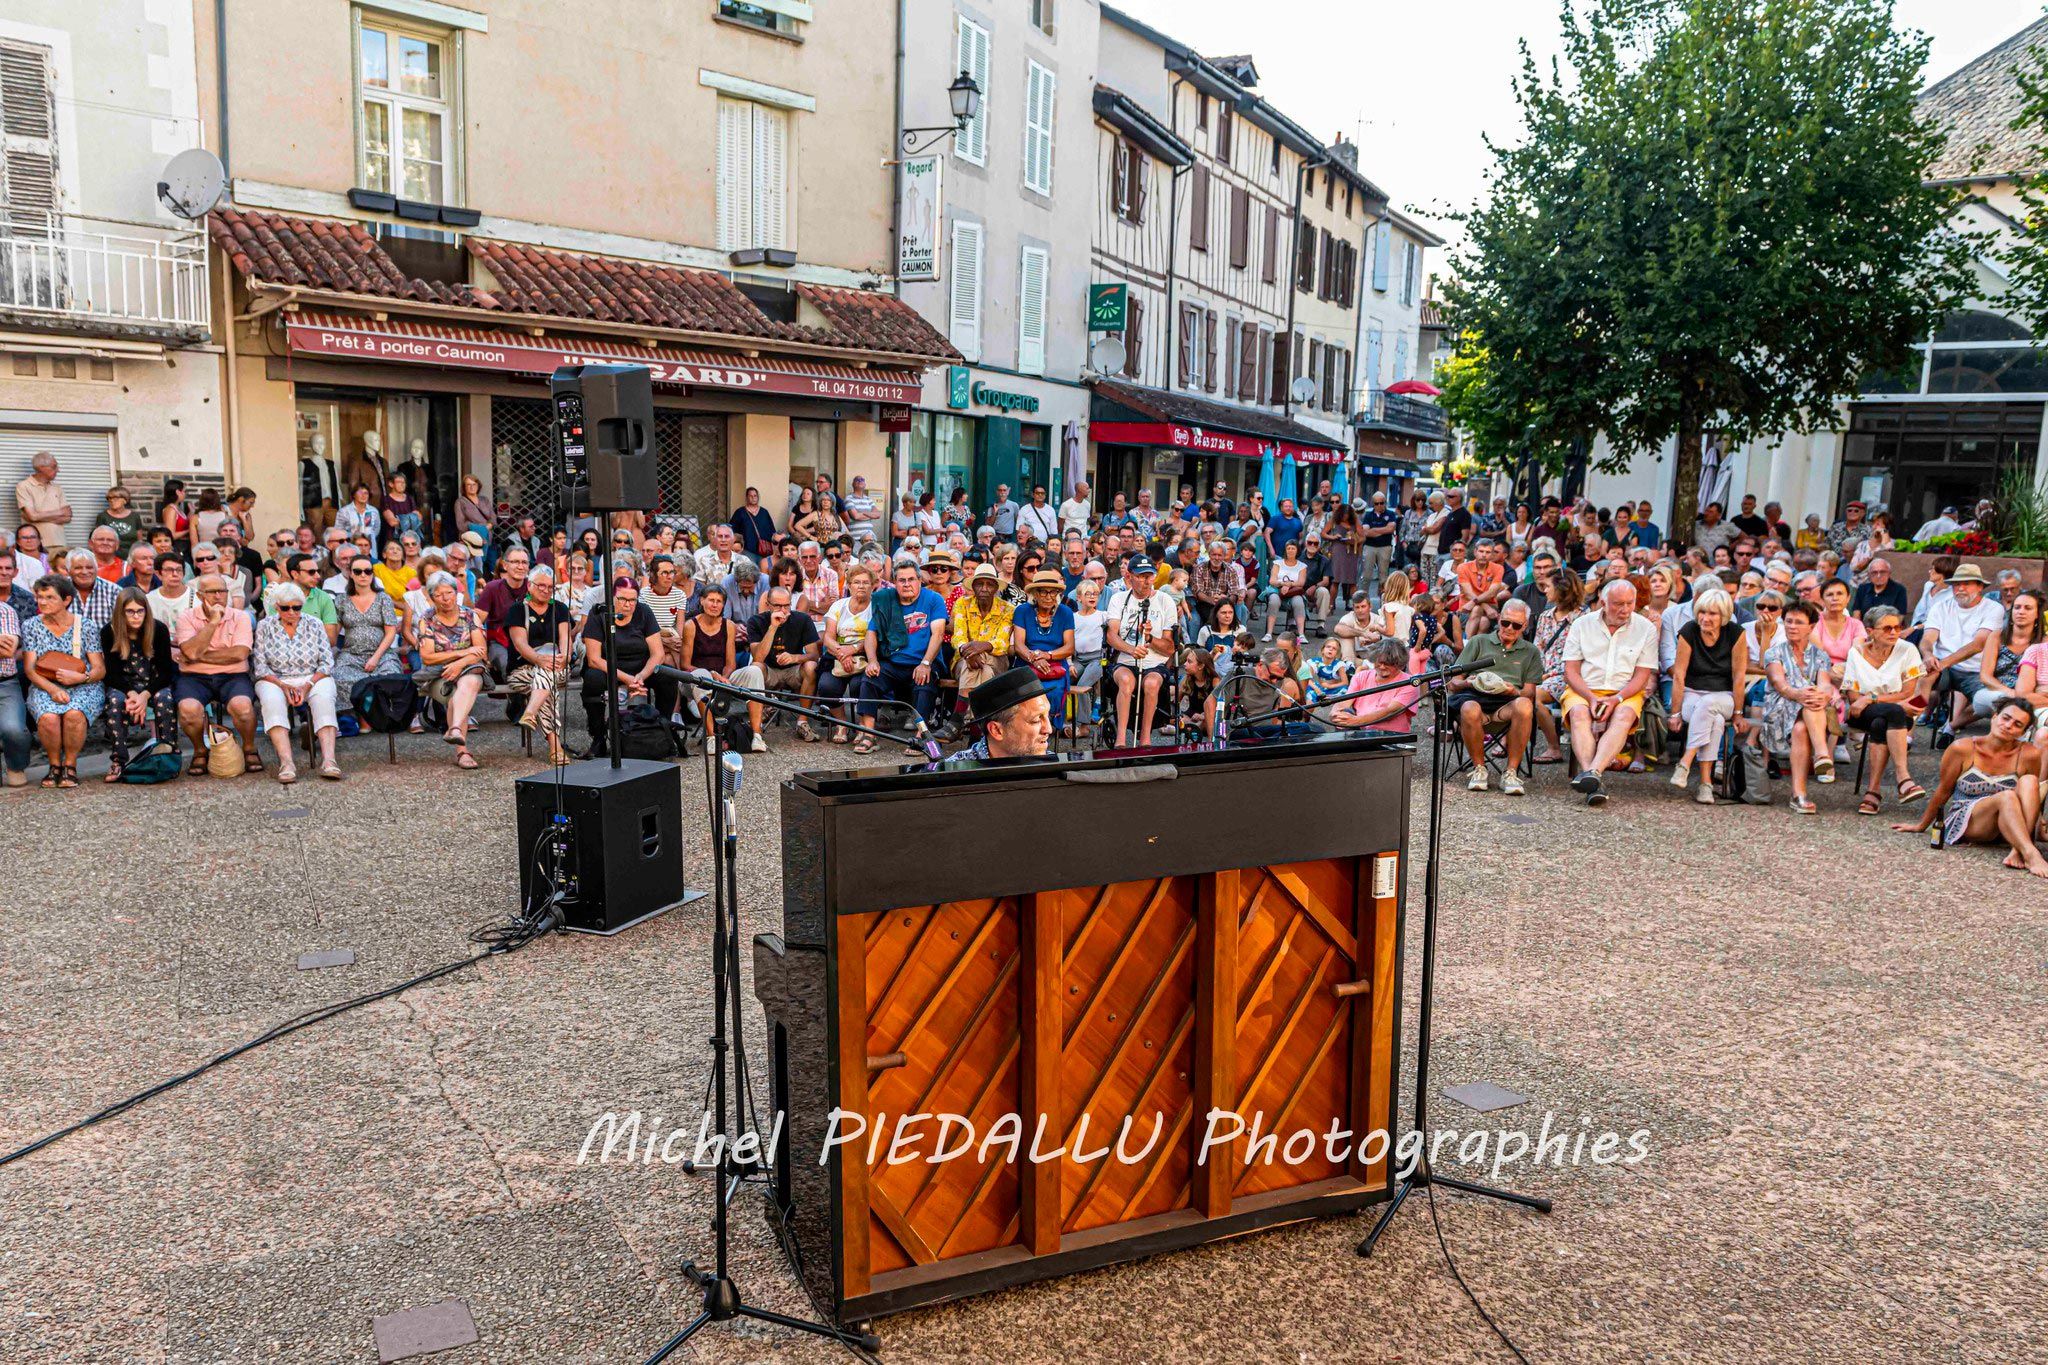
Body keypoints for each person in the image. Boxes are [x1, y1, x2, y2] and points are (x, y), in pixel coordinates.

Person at [1893, 699, 2046, 876]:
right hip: (1969, 821)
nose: (2008, 725)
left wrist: (2038, 823)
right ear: (1994, 717)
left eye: (2017, 724)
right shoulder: (1962, 748)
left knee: (2029, 781)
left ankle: (2018, 850)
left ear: (2023, 732)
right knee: (2007, 796)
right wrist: (1922, 825)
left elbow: (2030, 794)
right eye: (2006, 718)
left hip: (2008, 826)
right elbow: (1944, 790)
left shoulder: (2029, 753)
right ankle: (2031, 854)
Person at [1561, 578, 1660, 806]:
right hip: (1585, 687)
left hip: (1625, 690)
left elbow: (1642, 676)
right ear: (1603, 602)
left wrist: (1617, 698)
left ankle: (1592, 774)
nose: (1625, 610)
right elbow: (1571, 671)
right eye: (1618, 604)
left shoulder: (1645, 628)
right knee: (1579, 714)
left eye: (1629, 603)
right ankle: (1594, 779)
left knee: (1624, 716)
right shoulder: (1582, 624)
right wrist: (1591, 697)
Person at [1448, 599, 1543, 795]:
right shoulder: (1478, 642)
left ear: (1524, 626)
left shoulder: (1531, 651)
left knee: (1525, 704)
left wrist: (1513, 691)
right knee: (1468, 707)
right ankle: (1479, 769)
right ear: (1498, 619)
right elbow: (1453, 683)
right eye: (1505, 622)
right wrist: (1470, 682)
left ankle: (1510, 772)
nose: (1509, 628)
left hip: (1507, 705)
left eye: (1516, 625)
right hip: (1474, 699)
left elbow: (1529, 692)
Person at [1841, 605, 1928, 815]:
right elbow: (1853, 699)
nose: (1894, 632)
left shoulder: (1907, 649)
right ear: (1870, 631)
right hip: (1864, 715)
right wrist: (1873, 702)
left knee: (1885, 720)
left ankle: (1873, 792)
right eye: (1887, 628)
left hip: (1891, 715)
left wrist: (1870, 698)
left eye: (1897, 627)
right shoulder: (1856, 653)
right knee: (1895, 712)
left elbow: (1908, 691)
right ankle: (1903, 778)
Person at [250, 582, 340, 783]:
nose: (292, 612)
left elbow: (326, 663)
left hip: (312, 677)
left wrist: (307, 684)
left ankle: (329, 760)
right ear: (276, 607)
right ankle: (287, 762)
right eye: (285, 608)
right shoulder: (265, 626)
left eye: (297, 607)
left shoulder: (314, 624)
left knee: (324, 697)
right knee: (271, 701)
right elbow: (261, 667)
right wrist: (283, 686)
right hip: (276, 679)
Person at [20, 575, 103, 787]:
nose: (43, 602)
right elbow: (30, 669)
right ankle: (54, 765)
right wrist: (51, 689)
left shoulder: (85, 625)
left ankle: (70, 765)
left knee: (74, 713)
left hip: (83, 684)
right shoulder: (31, 626)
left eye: (49, 597)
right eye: (40, 597)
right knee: (48, 717)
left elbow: (99, 669)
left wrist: (81, 677)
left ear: (66, 600)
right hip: (44, 683)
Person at [857, 561, 948, 755]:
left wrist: (926, 663)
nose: (906, 584)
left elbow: (938, 634)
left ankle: (920, 736)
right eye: (901, 580)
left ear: (919, 581)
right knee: (870, 679)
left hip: (922, 661)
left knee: (925, 680)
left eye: (911, 579)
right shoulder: (886, 600)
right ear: (895, 583)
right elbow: (871, 634)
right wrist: (872, 660)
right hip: (893, 661)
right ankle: (869, 734)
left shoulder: (933, 599)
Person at [173, 573, 260, 775]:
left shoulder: (240, 617)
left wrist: (197, 656)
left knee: (243, 707)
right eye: (213, 592)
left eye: (223, 591)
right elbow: (191, 651)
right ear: (201, 595)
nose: (219, 596)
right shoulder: (187, 617)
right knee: (188, 709)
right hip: (194, 678)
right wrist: (212, 622)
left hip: (232, 676)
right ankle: (200, 750)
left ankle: (249, 748)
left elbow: (239, 654)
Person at [1666, 588, 1747, 804]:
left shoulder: (1736, 633)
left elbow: (1739, 677)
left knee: (1711, 704)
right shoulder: (1689, 630)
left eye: (1712, 613)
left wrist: (1739, 712)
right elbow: (1679, 676)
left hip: (1724, 695)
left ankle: (1686, 760)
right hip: (1692, 693)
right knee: (1716, 720)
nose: (1705, 618)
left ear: (1724, 615)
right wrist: (1674, 713)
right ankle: (1705, 785)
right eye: (1702, 612)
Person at [1759, 600, 1839, 815]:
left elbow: (1824, 683)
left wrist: (1821, 695)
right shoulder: (1773, 653)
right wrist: (1803, 694)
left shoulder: (1820, 655)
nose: (1792, 626)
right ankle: (1822, 754)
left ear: (1811, 627)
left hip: (1808, 710)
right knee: (1809, 700)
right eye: (1788, 621)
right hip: (1779, 709)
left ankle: (1799, 795)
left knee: (1801, 728)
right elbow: (1780, 685)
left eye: (1798, 622)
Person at [412, 572, 489, 769]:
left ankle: (456, 734)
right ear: (431, 597)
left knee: (469, 682)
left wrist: (459, 664)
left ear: (456, 593)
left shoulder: (470, 615)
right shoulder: (427, 619)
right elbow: (427, 656)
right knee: (456, 694)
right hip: (438, 674)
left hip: (470, 670)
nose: (446, 599)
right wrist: (462, 654)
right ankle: (462, 750)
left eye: (449, 592)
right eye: (439, 595)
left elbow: (480, 651)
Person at [1918, 563, 2005, 739]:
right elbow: (1927, 638)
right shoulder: (1940, 607)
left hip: (1977, 671)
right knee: (1922, 678)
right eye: (1956, 584)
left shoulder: (1993, 608)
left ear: (1980, 586)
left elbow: (1978, 644)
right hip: (1942, 668)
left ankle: (1951, 726)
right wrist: (1927, 655)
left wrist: (1943, 663)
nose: (1960, 588)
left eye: (1967, 583)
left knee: (1994, 701)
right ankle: (1908, 731)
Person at [98, 587, 175, 782]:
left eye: (140, 611)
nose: (136, 616)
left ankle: (168, 754)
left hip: (154, 682)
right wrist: (132, 694)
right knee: (115, 702)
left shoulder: (158, 629)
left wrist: (144, 696)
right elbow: (111, 673)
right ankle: (119, 760)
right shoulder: (110, 632)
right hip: (124, 684)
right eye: (130, 611)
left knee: (164, 699)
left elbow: (167, 671)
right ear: (121, 613)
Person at [503, 563, 574, 766]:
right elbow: (520, 644)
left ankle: (530, 713)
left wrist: (565, 656)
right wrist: (538, 659)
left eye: (550, 587)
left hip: (557, 667)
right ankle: (555, 746)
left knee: (546, 675)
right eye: (540, 585)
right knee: (546, 684)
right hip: (523, 670)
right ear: (529, 585)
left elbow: (565, 639)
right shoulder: (518, 610)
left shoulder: (559, 608)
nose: (545, 590)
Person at [734, 585, 821, 749]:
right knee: (756, 666)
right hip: (769, 670)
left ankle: (802, 721)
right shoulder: (756, 621)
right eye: (778, 606)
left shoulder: (802, 619)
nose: (783, 610)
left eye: (787, 605)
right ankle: (763, 711)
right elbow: (758, 657)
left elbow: (814, 655)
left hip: (793, 670)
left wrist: (795, 657)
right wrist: (772, 627)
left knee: (811, 666)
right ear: (768, 605)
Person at [940, 666, 1054, 764]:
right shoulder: (952, 776)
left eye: (1047, 716)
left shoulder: (1058, 769)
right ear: (996, 730)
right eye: (1036, 720)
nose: (1048, 729)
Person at [816, 563, 876, 744]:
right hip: (837, 656)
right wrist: (843, 655)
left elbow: (876, 638)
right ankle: (841, 724)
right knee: (826, 686)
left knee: (861, 685)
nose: (861, 586)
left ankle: (860, 724)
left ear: (873, 586)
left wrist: (854, 650)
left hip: (865, 656)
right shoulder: (838, 606)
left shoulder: (876, 608)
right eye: (856, 582)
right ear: (849, 585)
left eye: (866, 582)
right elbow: (828, 638)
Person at [1013, 570, 1077, 733]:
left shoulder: (1065, 612)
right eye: (1043, 591)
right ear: (1035, 593)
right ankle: (1027, 730)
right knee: (1028, 691)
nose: (1049, 596)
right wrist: (1034, 658)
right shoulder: (1022, 611)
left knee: (1054, 691)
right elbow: (1019, 645)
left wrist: (1048, 655)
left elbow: (1069, 647)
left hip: (1056, 666)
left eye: (1053, 592)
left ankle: (1046, 730)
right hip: (1027, 662)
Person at [1972, 588, 2044, 722]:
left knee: (2024, 707)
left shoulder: (2044, 643)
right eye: (2017, 607)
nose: (2021, 611)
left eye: (2027, 608)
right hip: (1994, 693)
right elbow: (1985, 676)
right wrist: (2010, 692)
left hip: (2028, 697)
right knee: (2013, 703)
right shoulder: (1997, 636)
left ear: (2037, 615)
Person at [15, 450, 72, 552]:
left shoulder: (57, 488)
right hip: (35, 545)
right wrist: (59, 513)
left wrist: (38, 517)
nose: (58, 470)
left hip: (59, 543)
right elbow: (32, 516)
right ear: (41, 468)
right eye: (54, 467)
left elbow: (67, 517)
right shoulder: (24, 486)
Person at [731, 486, 777, 560]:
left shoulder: (764, 512)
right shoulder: (740, 512)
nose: (753, 498)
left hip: (764, 551)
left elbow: (772, 531)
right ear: (747, 498)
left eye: (755, 495)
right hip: (747, 550)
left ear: (758, 497)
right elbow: (732, 530)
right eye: (750, 496)